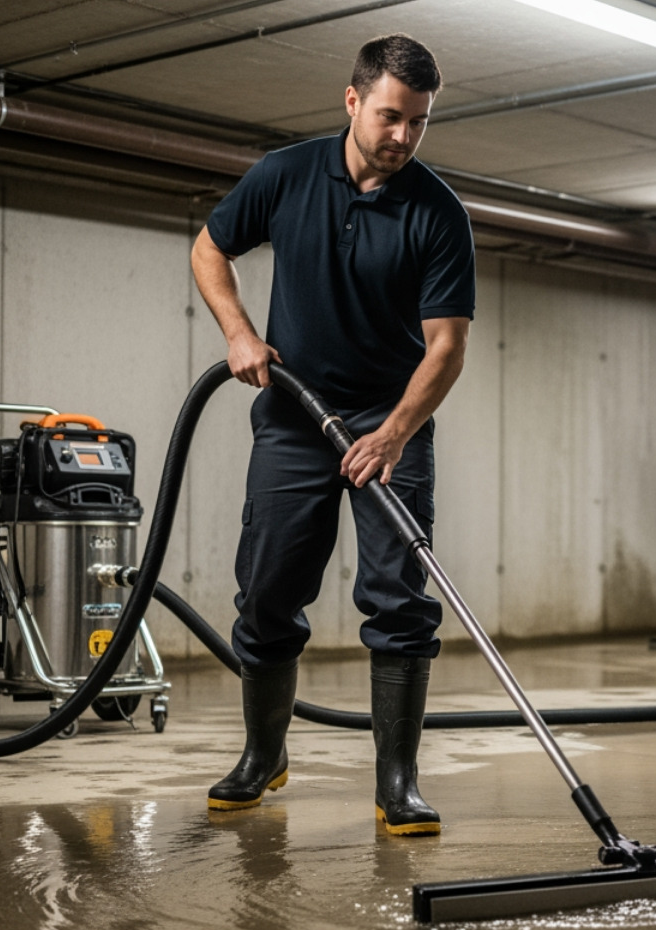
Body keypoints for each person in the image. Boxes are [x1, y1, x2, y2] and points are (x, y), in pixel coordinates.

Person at [190, 34, 474, 835]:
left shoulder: (438, 212)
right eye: (390, 117)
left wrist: (391, 434)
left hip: (394, 421)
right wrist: (240, 333)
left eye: (418, 123)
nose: (403, 137)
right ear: (352, 102)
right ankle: (262, 756)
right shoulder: (285, 176)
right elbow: (210, 248)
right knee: (270, 590)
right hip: (292, 416)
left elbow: (446, 348)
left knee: (397, 599)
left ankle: (397, 783)